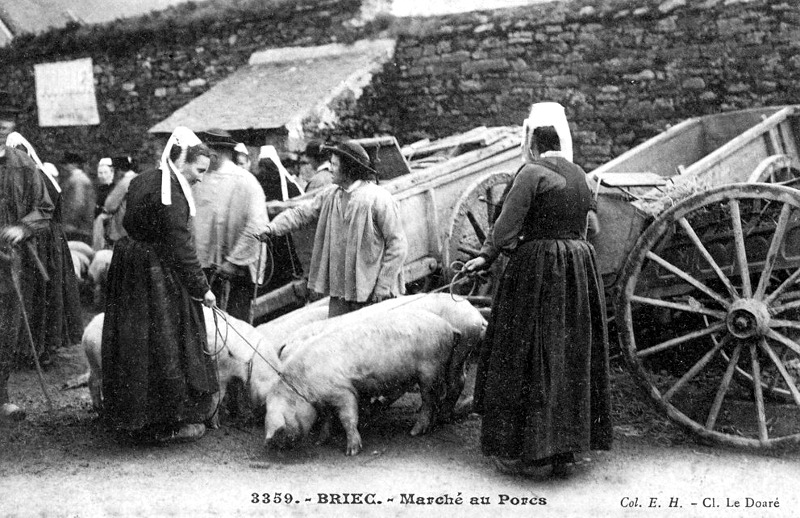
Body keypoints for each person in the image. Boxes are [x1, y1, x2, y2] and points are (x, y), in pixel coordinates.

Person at [464, 102, 611, 478]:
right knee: (567, 355)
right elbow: (592, 228)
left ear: (531, 145)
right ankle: (564, 452)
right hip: (578, 271)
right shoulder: (580, 174)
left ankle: (530, 454)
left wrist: (495, 254)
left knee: (527, 352)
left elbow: (503, 231)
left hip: (539, 270)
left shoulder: (530, 173)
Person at [101, 127, 217, 443]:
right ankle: (171, 419)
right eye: (199, 170)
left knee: (137, 342)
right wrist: (202, 287)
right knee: (168, 341)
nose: (200, 178)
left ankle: (134, 415)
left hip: (131, 269)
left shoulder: (142, 179)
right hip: (156, 274)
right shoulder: (172, 194)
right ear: (181, 160)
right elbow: (181, 245)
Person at [261, 140, 407, 318]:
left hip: (372, 292)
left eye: (334, 164)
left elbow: (398, 245)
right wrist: (272, 228)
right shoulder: (331, 195)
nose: (330, 168)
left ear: (349, 168)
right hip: (341, 291)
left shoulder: (378, 199)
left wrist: (383, 287)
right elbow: (301, 214)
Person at [5, 132, 83, 370]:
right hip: (36, 241)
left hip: (45, 244)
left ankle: (39, 348)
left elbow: (46, 212)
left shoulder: (38, 176)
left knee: (41, 295)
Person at [0, 92, 56, 422]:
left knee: (5, 334)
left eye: (6, 123)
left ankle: (2, 397)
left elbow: (45, 208)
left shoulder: (24, 165)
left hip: (10, 267)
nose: (1, 127)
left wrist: (23, 229)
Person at [193, 128, 268, 322]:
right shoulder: (198, 180)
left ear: (213, 154)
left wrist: (235, 261)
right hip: (202, 269)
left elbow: (257, 225)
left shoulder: (246, 182)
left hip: (235, 273)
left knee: (233, 328)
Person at [254, 146, 305, 297]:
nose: (265, 170)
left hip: (274, 232)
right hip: (274, 234)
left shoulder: (263, 182)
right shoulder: (284, 183)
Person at [99, 155, 139, 246]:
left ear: (119, 170)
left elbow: (110, 205)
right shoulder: (138, 178)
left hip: (122, 226)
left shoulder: (124, 182)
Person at [59, 152, 96, 243]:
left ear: (74, 165)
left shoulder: (77, 179)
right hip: (79, 227)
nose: (64, 167)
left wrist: (69, 223)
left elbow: (78, 203)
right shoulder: (77, 178)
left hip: (76, 228)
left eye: (66, 164)